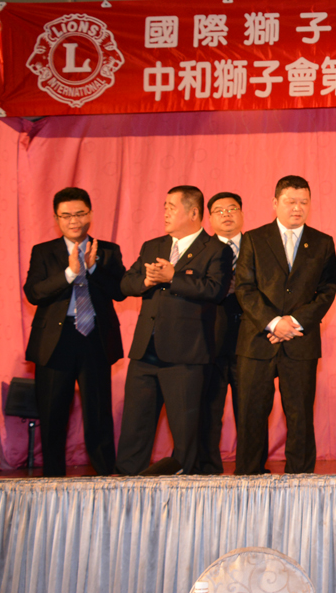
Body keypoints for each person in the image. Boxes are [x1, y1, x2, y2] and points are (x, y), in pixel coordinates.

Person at [117, 186, 233, 475]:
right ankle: (127, 483)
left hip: (186, 355)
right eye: (165, 206)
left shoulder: (216, 250)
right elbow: (125, 284)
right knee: (134, 427)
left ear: (193, 213)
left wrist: (173, 277)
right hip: (145, 351)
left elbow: (215, 290)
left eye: (172, 207)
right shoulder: (153, 246)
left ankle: (184, 486)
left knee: (185, 432)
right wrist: (147, 281)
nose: (166, 212)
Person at [234, 176, 336, 475]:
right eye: (290, 201)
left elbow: (327, 290)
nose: (297, 208)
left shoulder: (322, 242)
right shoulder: (254, 238)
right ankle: (249, 478)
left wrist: (292, 323)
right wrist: (272, 323)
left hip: (300, 340)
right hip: (257, 341)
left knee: (300, 415)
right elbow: (244, 287)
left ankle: (300, 480)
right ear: (275, 203)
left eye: (303, 202)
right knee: (252, 414)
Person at [22, 187, 127, 477]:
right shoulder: (43, 251)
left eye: (80, 214)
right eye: (66, 215)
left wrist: (92, 269)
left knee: (98, 411)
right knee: (52, 413)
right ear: (56, 218)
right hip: (56, 340)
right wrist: (69, 273)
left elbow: (120, 291)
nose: (73, 221)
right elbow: (34, 292)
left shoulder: (108, 250)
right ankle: (53, 478)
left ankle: (105, 476)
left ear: (90, 214)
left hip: (94, 337)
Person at [195, 191, 245, 475]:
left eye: (232, 208)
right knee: (209, 411)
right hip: (209, 341)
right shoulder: (201, 250)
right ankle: (208, 470)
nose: (226, 214)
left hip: (249, 341)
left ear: (242, 213)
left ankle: (250, 467)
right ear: (209, 218)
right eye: (219, 210)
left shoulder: (259, 246)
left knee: (249, 410)